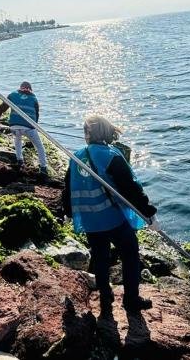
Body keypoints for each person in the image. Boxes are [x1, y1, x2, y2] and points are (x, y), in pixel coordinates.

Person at [62, 115, 157, 313]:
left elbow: (68, 188)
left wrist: (67, 212)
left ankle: (105, 299)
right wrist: (149, 214)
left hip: (90, 220)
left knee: (100, 258)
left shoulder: (76, 157)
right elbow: (131, 188)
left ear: (88, 134)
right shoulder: (111, 155)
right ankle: (131, 300)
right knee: (130, 254)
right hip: (113, 218)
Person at [0, 81, 48, 175]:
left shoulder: (12, 95)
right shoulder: (34, 98)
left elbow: (0, 109)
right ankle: (43, 167)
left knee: (17, 140)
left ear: (20, 88)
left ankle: (20, 160)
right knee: (39, 146)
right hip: (29, 127)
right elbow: (36, 115)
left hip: (14, 126)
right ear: (30, 89)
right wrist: (35, 127)